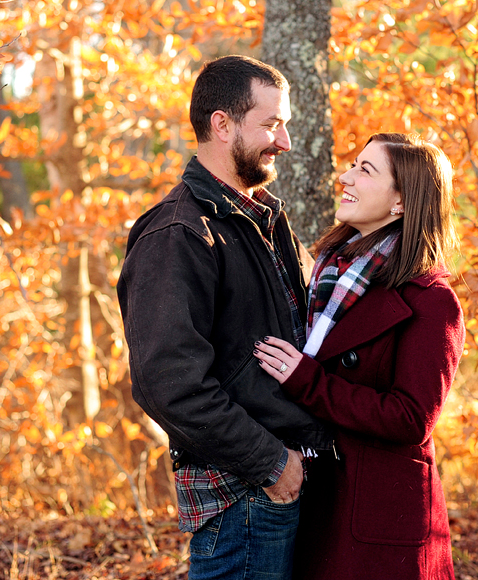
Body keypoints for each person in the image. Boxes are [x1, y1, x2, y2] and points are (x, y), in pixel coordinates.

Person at [116, 55, 332, 580]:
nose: (283, 142)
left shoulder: (263, 220)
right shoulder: (179, 232)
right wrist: (270, 463)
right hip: (243, 494)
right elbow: (168, 382)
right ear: (222, 124)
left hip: (285, 485)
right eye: (271, 124)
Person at [255, 132, 465, 580]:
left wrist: (307, 381)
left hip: (380, 520)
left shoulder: (431, 300)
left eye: (365, 170)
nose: (345, 177)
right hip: (318, 497)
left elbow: (411, 418)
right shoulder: (326, 272)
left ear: (402, 202)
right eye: (352, 164)